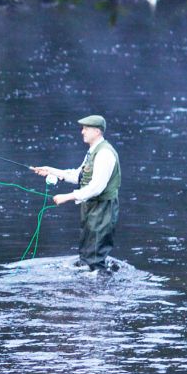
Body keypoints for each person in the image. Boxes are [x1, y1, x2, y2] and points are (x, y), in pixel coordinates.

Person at [31, 115, 121, 272]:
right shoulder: (93, 152)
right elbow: (78, 176)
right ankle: (90, 287)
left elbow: (96, 188)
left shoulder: (104, 154)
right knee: (87, 253)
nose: (82, 132)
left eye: (86, 128)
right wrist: (50, 170)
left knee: (95, 255)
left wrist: (66, 197)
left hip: (102, 209)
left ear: (98, 131)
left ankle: (99, 290)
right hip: (92, 207)